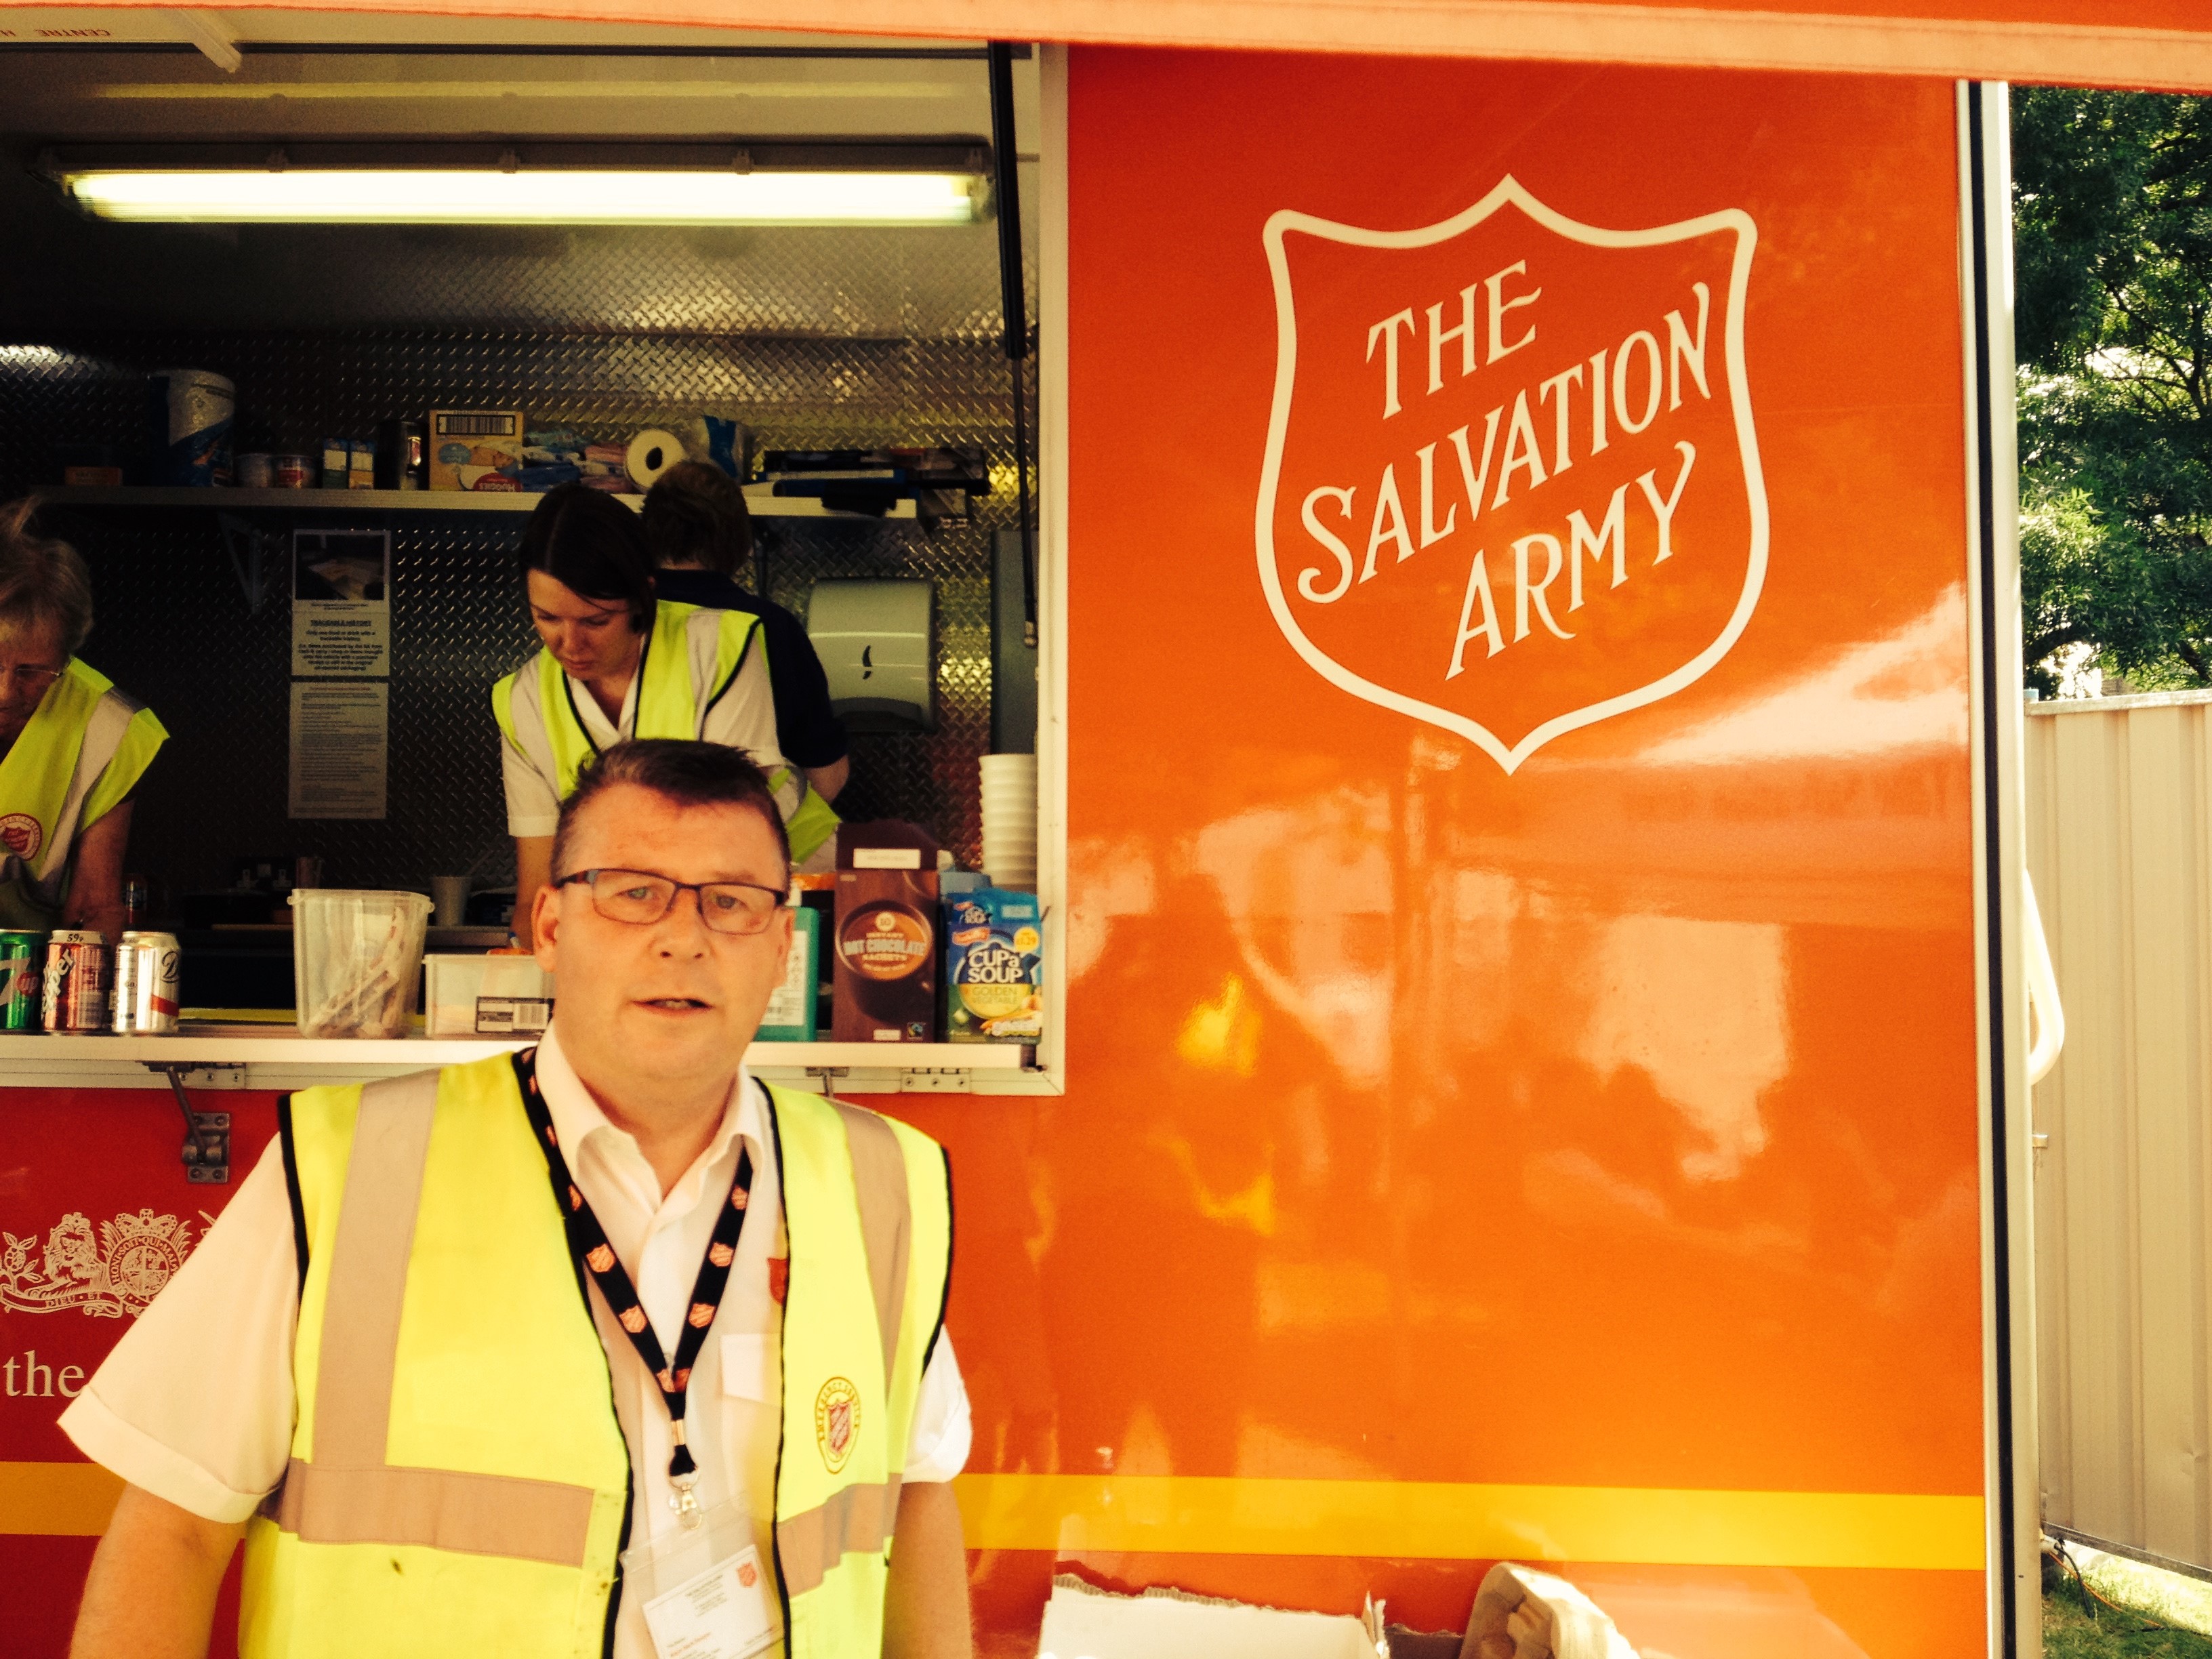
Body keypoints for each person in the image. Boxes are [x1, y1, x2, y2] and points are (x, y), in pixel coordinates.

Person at [62, 739, 972, 1659]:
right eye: (633, 890)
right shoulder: (350, 1169)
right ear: (548, 926)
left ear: (782, 947)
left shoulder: (880, 1184)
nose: (684, 935)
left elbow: (918, 1498)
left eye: (731, 903)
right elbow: (173, 1531)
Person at [493, 485, 836, 948]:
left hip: (796, 888)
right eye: (548, 618)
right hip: (655, 911)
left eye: (595, 621)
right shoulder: (523, 699)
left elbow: (726, 826)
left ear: (643, 597)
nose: (570, 645)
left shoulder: (719, 647)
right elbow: (540, 881)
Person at [0, 497, 165, 940]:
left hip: (30, 980)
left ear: (67, 657)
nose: (5, 692)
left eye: (32, 672)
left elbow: (94, 907)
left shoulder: (108, 730)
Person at [643, 461, 851, 812]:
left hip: (632, 853)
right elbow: (828, 777)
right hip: (770, 852)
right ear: (739, 541)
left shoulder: (614, 621)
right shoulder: (771, 627)